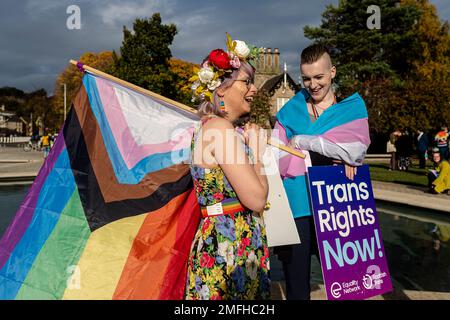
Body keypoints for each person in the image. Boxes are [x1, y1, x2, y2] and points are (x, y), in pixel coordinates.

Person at [272, 44, 370, 300]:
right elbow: (275, 155)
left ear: (332, 72)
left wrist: (304, 141)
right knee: (296, 285)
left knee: (350, 283)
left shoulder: (351, 110)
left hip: (338, 204)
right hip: (298, 204)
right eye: (306, 78)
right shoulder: (289, 111)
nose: (312, 84)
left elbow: (355, 151)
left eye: (319, 77)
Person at [184, 35, 271, 300]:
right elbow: (256, 199)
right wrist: (257, 154)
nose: (254, 89)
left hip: (226, 243)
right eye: (246, 82)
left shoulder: (213, 128)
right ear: (220, 89)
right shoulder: (220, 129)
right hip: (228, 251)